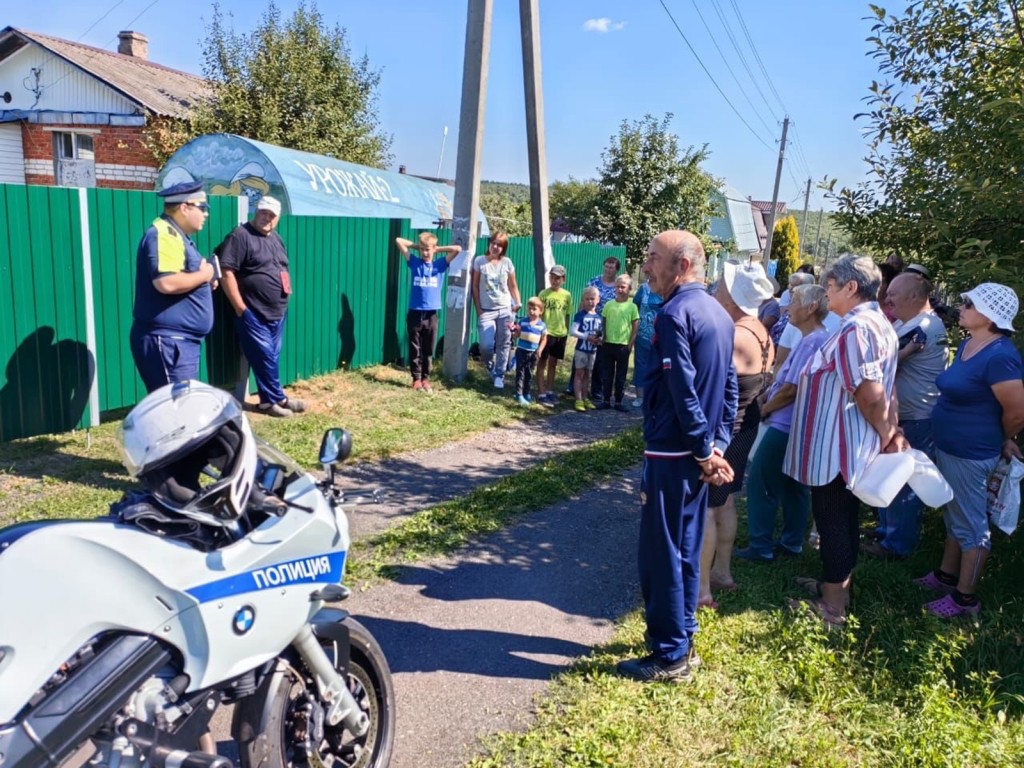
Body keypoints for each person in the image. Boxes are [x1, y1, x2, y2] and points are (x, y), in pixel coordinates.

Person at [616, 230, 737, 684]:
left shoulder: (673, 314)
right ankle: (682, 637)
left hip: (672, 453)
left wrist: (706, 451)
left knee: (663, 553)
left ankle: (669, 656)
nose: (646, 266)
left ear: (682, 265)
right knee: (685, 550)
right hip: (696, 454)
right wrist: (717, 444)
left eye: (653, 258)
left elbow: (683, 392)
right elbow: (729, 387)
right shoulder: (719, 314)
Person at [783, 255, 905, 628]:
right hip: (845, 444)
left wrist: (889, 435)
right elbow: (887, 387)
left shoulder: (857, 329)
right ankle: (836, 586)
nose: (825, 292)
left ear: (851, 287)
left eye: (830, 285)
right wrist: (892, 429)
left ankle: (833, 608)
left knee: (833, 519)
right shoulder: (872, 324)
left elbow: (869, 393)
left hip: (837, 449)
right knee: (843, 518)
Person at [915, 283, 1024, 618]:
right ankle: (947, 576)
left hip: (972, 451)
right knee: (955, 514)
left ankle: (965, 599)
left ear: (989, 315)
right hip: (952, 445)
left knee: (972, 526)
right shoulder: (969, 344)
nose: (961, 306)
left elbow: (1017, 411)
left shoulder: (1001, 356)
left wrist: (1000, 438)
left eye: (969, 303)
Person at [698, 262, 775, 608]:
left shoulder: (734, 334)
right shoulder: (762, 332)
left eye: (723, 285)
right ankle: (722, 572)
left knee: (707, 509)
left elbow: (710, 385)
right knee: (726, 501)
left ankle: (701, 590)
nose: (716, 288)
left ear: (734, 295)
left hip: (726, 430)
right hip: (748, 424)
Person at [736, 284, 831, 564]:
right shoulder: (811, 338)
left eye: (795, 301)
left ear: (811, 307)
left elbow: (792, 389)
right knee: (793, 485)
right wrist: (768, 393)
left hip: (784, 423)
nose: (787, 307)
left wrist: (765, 408)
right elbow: (785, 382)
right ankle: (791, 542)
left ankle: (761, 546)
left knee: (761, 482)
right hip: (794, 424)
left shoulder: (812, 340)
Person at [863, 271, 948, 558]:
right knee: (890, 475)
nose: (887, 297)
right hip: (902, 415)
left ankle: (897, 545)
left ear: (914, 297)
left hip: (917, 418)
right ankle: (887, 531)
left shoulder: (923, 327)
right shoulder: (906, 322)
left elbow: (884, 364)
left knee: (903, 483)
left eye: (894, 293)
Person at [218, 196, 306, 417]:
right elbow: (226, 271)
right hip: (252, 312)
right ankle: (280, 399)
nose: (267, 218)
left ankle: (268, 402)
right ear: (255, 212)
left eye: (272, 215)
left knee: (271, 357)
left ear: (277, 219)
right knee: (265, 355)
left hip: (277, 311)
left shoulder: (276, 238)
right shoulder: (240, 236)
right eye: (264, 213)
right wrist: (240, 308)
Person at [130, 180, 217, 393]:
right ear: (185, 207)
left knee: (179, 410)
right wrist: (204, 275)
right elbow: (166, 282)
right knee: (176, 412)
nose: (206, 214)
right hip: (169, 342)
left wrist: (202, 281)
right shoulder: (164, 234)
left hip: (177, 342)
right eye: (203, 207)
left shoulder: (177, 236)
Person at [395, 232, 463, 392]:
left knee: (428, 349)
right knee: (415, 347)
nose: (425, 253)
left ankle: (426, 378)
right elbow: (398, 240)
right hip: (415, 313)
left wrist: (436, 249)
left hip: (431, 314)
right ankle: (416, 379)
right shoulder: (414, 263)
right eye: (423, 249)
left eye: (428, 250)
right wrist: (417, 246)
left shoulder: (439, 265)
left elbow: (457, 249)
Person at [565, 257, 622, 398]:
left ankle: (596, 389)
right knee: (581, 354)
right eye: (606, 266)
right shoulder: (594, 281)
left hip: (604, 323)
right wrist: (580, 316)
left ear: (616, 269)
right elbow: (584, 298)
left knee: (599, 358)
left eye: (611, 267)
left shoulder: (617, 286)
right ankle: (573, 386)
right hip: (587, 320)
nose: (608, 270)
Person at [472, 233, 521, 390]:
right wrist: (479, 309)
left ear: (503, 248)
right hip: (486, 310)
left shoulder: (507, 263)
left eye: (499, 245)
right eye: (493, 243)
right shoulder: (480, 261)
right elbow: (474, 286)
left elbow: (513, 285)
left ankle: (499, 375)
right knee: (486, 346)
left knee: (504, 343)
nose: (495, 247)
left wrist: (517, 303)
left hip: (505, 309)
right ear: (489, 243)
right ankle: (490, 367)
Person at [597, 275, 639, 412]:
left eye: (623, 287)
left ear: (629, 289)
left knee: (621, 375)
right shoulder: (609, 304)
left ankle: (619, 401)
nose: (620, 289)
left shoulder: (632, 307)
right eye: (618, 286)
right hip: (608, 344)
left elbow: (635, 327)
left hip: (623, 346)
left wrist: (630, 345)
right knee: (607, 374)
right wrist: (602, 337)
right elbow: (603, 322)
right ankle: (606, 399)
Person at [537, 265, 573, 406]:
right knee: (542, 363)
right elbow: (539, 315)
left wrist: (566, 332)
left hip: (560, 334)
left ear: (563, 279)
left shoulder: (567, 295)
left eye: (557, 278)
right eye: (552, 277)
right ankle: (541, 392)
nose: (554, 280)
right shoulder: (543, 294)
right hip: (547, 333)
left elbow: (567, 315)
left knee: (553, 363)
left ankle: (550, 391)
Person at [632, 274, 663, 408]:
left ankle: (657, 397)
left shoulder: (665, 288)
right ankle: (640, 397)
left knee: (659, 366)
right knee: (641, 365)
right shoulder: (643, 289)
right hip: (643, 334)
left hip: (662, 336)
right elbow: (634, 307)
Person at [569, 287, 603, 413]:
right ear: (583, 301)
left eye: (592, 299)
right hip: (581, 350)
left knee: (588, 374)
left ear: (598, 300)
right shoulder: (580, 315)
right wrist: (586, 337)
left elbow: (600, 333)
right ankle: (578, 399)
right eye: (587, 299)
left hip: (592, 350)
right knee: (579, 374)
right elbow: (573, 331)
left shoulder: (599, 317)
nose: (590, 302)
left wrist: (600, 339)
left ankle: (585, 397)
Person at [512, 297, 548, 406]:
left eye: (534, 309)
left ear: (540, 311)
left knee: (529, 373)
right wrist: (515, 332)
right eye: (529, 309)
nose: (531, 311)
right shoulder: (523, 322)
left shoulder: (542, 325)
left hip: (533, 353)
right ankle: (519, 394)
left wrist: (540, 350)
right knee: (520, 372)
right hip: (522, 351)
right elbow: (516, 335)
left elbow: (544, 339)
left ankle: (526, 393)